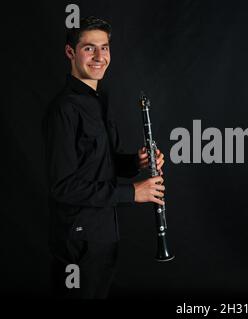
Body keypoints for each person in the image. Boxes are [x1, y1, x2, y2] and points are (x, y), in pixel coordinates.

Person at [43, 16, 165, 298]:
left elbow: (100, 165)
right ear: (70, 52)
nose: (100, 57)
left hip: (103, 233)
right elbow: (63, 186)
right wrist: (132, 193)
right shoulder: (64, 110)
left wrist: (137, 162)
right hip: (79, 240)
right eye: (89, 48)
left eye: (105, 47)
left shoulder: (99, 100)